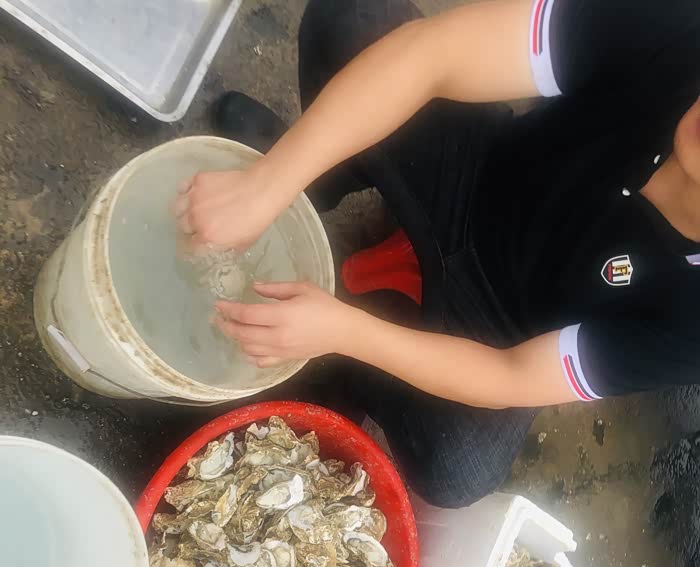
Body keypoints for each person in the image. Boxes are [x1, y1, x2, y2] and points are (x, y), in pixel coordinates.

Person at [175, 0, 700, 507]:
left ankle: (347, 352)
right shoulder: (681, 24)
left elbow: (513, 374)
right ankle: (308, 187)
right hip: (483, 172)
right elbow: (435, 54)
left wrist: (347, 333)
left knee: (460, 467)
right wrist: (271, 182)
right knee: (352, 16)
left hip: (505, 325)